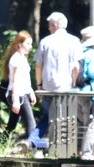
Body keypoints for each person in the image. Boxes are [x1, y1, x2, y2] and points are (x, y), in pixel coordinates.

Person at [32, 11, 82, 149]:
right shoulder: (74, 41)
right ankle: (62, 148)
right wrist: (73, 82)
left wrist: (39, 85)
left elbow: (38, 66)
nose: (48, 28)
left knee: (48, 117)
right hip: (66, 87)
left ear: (55, 25)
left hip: (48, 87)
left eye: (49, 25)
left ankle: (38, 141)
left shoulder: (45, 41)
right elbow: (76, 67)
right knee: (65, 117)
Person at [0, 30, 37, 142]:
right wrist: (15, 100)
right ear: (19, 44)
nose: (30, 47)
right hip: (18, 95)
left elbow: (24, 78)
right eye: (28, 44)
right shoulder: (16, 59)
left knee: (12, 124)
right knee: (31, 123)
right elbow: (15, 81)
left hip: (23, 93)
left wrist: (31, 91)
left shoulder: (22, 58)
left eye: (31, 44)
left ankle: (0, 144)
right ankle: (35, 151)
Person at [76, 26, 94, 159]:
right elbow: (93, 72)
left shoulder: (78, 51)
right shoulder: (91, 54)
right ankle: (87, 153)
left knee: (82, 122)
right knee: (91, 123)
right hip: (91, 92)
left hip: (79, 91)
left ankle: (82, 151)